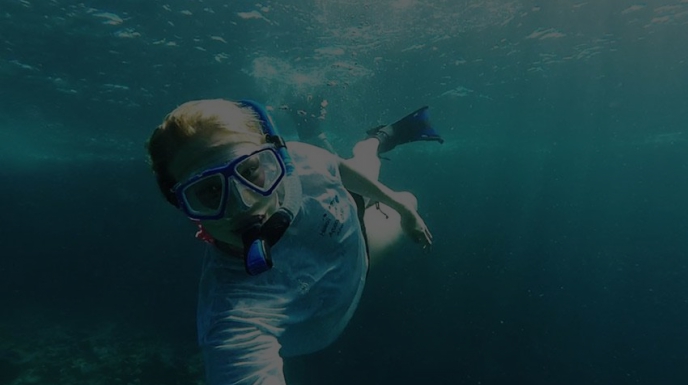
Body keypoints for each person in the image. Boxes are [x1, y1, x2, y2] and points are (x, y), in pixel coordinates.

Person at [145, 98, 444, 385]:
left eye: (250, 171)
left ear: (276, 159)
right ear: (182, 205)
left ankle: (378, 137)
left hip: (347, 213)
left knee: (377, 171)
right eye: (209, 191)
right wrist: (404, 208)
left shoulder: (300, 159)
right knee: (410, 198)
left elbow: (335, 168)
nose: (243, 204)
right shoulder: (230, 315)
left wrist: (403, 212)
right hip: (362, 252)